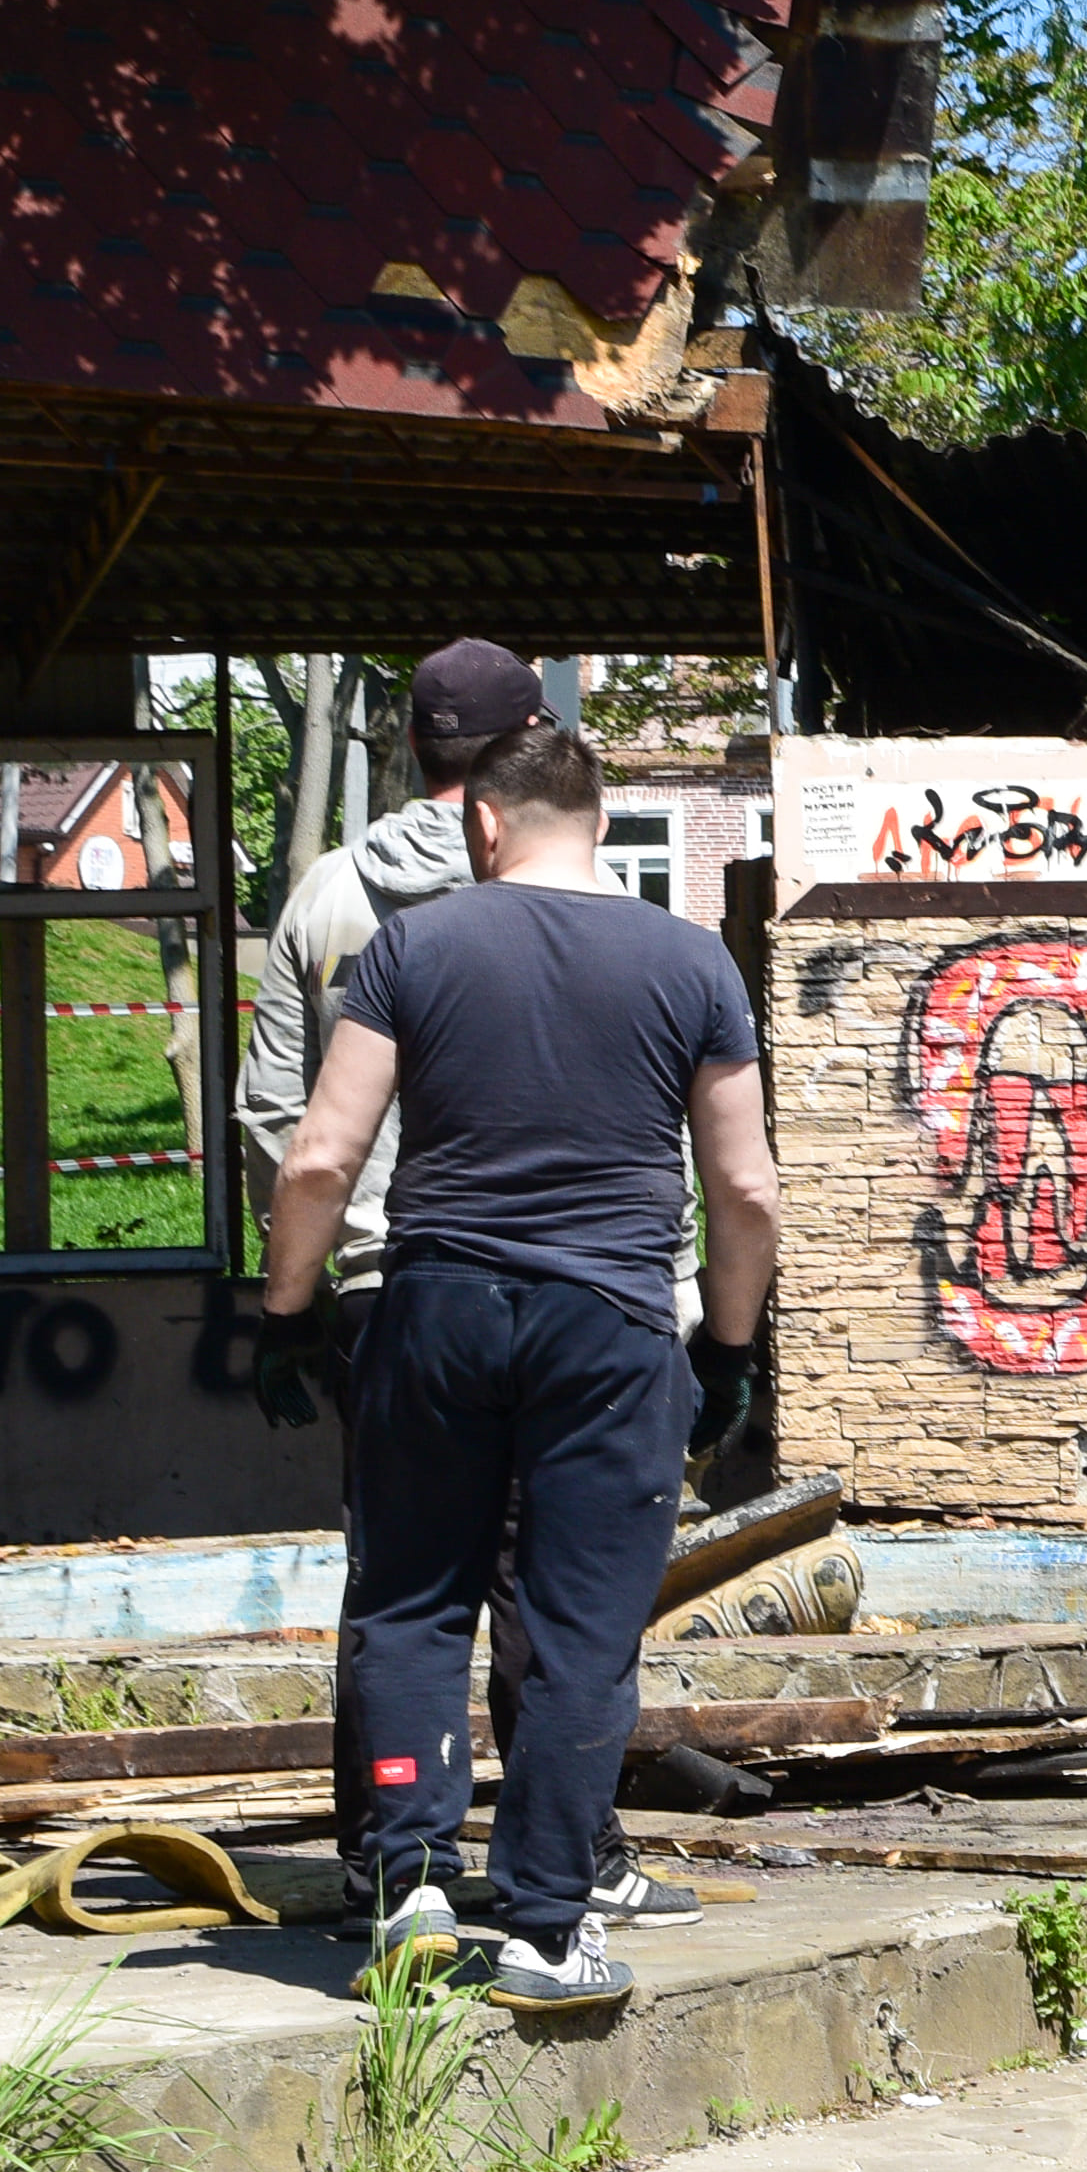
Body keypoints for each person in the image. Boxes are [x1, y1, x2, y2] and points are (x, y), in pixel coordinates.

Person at [259, 708, 778, 2012]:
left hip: (436, 1310)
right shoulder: (692, 961)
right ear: (599, 821)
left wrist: (283, 1308)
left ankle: (413, 1882)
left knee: (412, 1602)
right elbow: (747, 1191)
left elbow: (322, 1155)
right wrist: (727, 1348)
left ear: (481, 823)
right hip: (605, 1329)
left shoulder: (414, 946)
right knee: (578, 1629)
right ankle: (547, 1933)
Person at [237, 643, 539, 1847]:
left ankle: (384, 1844)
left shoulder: (323, 894)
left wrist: (296, 1290)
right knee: (541, 1573)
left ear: (407, 748)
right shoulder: (579, 893)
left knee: (399, 1574)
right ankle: (562, 1844)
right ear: (531, 750)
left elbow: (276, 1112)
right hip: (549, 1276)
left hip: (378, 1285)